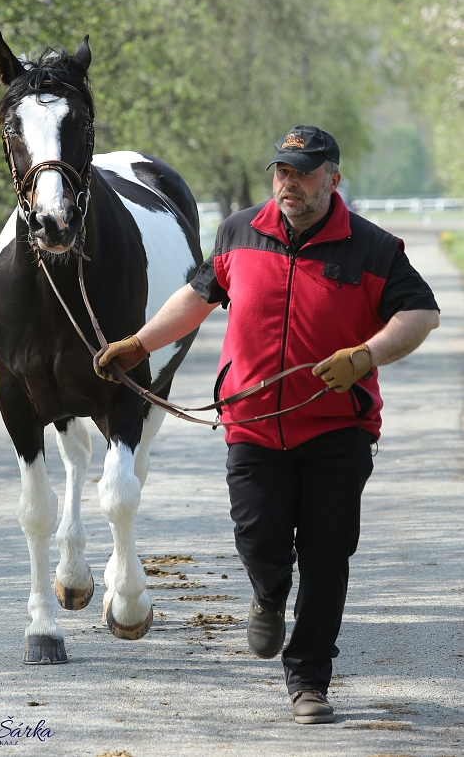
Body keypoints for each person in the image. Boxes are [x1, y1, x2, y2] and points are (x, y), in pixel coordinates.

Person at [94, 125, 440, 724]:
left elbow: (421, 313)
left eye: (304, 172)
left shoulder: (374, 248)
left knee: (328, 557)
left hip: (339, 431)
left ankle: (309, 680)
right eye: (282, 170)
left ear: (333, 178)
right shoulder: (237, 232)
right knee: (260, 542)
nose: (290, 183)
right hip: (253, 428)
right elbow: (199, 297)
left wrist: (365, 356)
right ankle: (268, 593)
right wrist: (139, 343)